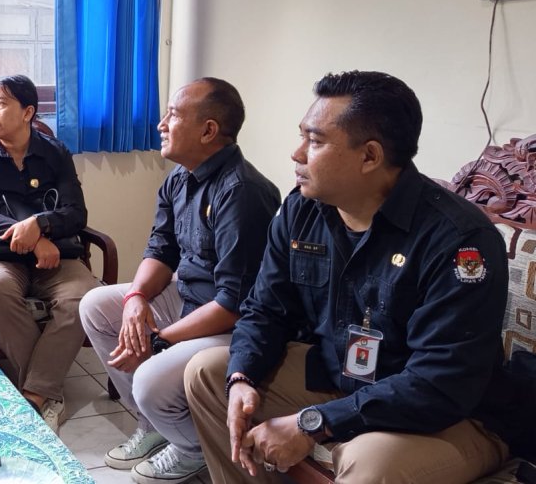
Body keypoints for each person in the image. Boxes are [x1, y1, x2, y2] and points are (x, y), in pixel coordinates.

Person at [184, 70, 522, 483]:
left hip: (453, 413)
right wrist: (242, 377)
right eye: (302, 137)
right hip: (343, 375)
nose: (296, 154)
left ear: (370, 157)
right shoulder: (303, 210)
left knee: (370, 465)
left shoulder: (458, 240)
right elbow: (264, 310)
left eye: (315, 141)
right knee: (208, 373)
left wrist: (315, 422)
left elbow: (441, 383)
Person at [79, 78, 280, 484]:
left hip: (231, 323)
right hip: (187, 297)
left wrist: (158, 341)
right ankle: (154, 424)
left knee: (150, 376)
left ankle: (193, 448)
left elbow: (234, 303)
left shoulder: (242, 192)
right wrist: (136, 299)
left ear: (208, 131)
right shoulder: (179, 178)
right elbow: (161, 249)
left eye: (172, 115)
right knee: (97, 305)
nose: (161, 124)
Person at [0, 74, 100, 432]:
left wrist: (40, 224)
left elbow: (76, 213)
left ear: (28, 112)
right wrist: (31, 236)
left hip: (57, 256)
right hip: (0, 255)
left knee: (83, 296)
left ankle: (34, 395)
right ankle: (47, 390)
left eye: (1, 104)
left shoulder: (55, 153)